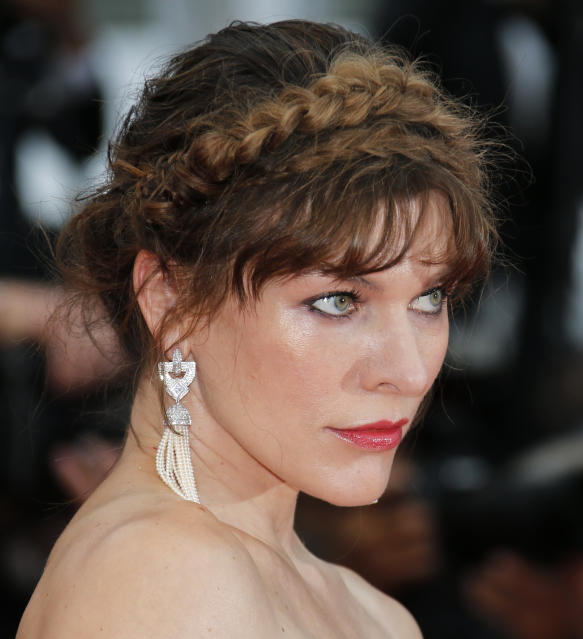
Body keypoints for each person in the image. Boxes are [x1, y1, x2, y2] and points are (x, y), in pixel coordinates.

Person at [16, 19, 497, 638]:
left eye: (429, 298)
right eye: (337, 301)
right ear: (169, 301)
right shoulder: (164, 579)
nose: (406, 371)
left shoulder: (375, 612)